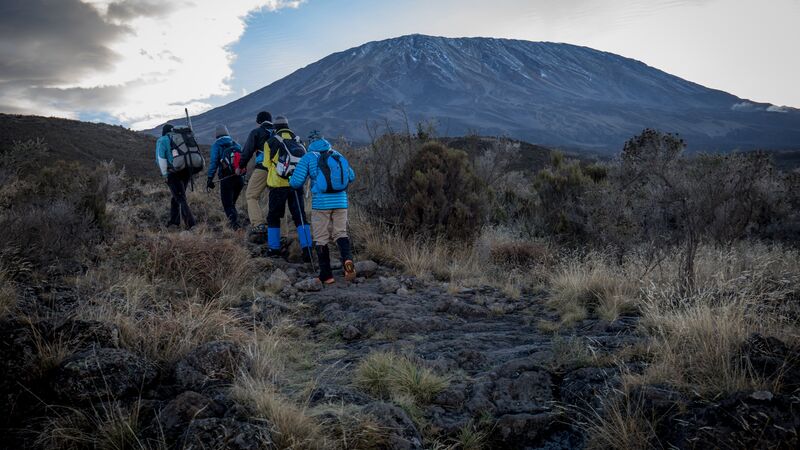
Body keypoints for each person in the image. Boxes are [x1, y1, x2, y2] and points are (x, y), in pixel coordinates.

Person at [289, 136, 356, 283]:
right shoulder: (337, 154)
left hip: (321, 204)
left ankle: (326, 275)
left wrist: (290, 179)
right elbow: (351, 176)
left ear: (311, 145)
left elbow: (296, 182)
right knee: (341, 232)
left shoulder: (309, 157)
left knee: (321, 237)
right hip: (341, 201)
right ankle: (348, 262)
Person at [263, 116, 313, 260]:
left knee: (273, 217)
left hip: (277, 185)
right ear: (287, 126)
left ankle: (274, 249)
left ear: (275, 128)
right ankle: (307, 249)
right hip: (296, 185)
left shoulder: (270, 142)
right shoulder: (297, 140)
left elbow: (266, 164)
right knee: (300, 217)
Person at [238, 111, 274, 236]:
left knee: (251, 195)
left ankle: (258, 224)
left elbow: (247, 151)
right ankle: (280, 229)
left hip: (263, 167)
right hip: (278, 170)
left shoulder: (257, 132)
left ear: (259, 121)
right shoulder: (278, 133)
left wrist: (241, 166)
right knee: (275, 198)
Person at [156, 123, 196, 230]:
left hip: (173, 172)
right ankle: (174, 222)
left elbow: (161, 158)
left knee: (180, 198)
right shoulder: (180, 138)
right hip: (186, 171)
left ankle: (191, 224)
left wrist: (164, 174)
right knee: (176, 198)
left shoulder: (162, 140)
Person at [206, 124, 244, 230]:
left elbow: (214, 162)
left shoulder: (217, 145)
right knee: (232, 203)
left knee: (227, 204)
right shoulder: (236, 144)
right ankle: (235, 223)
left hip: (226, 179)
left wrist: (210, 178)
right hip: (239, 178)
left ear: (216, 135)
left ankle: (234, 227)